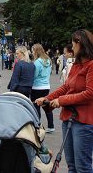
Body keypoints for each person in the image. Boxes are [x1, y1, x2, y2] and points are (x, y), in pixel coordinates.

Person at [36, 29, 93, 173]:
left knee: (83, 167)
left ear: (80, 44)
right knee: (72, 166)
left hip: (83, 122)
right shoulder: (76, 64)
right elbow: (66, 87)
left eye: (73, 44)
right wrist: (47, 98)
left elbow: (90, 93)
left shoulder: (91, 65)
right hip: (69, 118)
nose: (71, 47)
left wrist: (61, 101)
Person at [30, 44, 54, 133]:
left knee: (36, 107)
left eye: (33, 50)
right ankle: (51, 126)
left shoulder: (37, 63)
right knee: (47, 107)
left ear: (36, 51)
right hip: (46, 86)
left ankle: (37, 126)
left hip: (36, 87)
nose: (32, 52)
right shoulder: (48, 60)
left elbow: (35, 76)